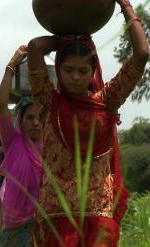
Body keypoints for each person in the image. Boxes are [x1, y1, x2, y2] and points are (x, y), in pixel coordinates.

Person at [27, 0, 149, 245]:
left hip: (98, 219)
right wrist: (67, 41)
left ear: (93, 72)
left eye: (83, 71)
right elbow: (35, 47)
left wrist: (124, 5)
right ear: (58, 71)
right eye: (68, 69)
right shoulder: (47, 101)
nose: (75, 77)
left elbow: (143, 53)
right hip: (56, 219)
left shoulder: (107, 100)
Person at [0, 45, 44, 247]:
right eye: (30, 118)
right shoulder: (13, 142)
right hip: (14, 228)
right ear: (21, 120)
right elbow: (2, 107)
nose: (35, 123)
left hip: (42, 224)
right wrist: (11, 66)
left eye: (40, 118)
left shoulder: (52, 146)